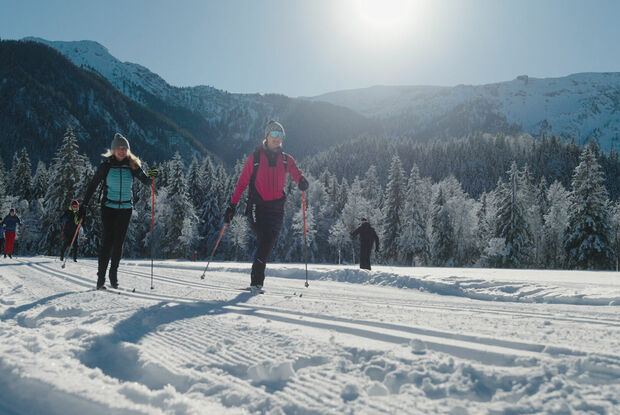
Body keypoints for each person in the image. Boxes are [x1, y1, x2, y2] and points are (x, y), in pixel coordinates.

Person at [225, 120, 309, 292]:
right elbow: (241, 184)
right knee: (265, 239)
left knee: (268, 242)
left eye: (281, 135)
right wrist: (232, 206)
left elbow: (296, 172)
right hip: (257, 206)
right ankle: (256, 282)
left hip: (277, 208)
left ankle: (256, 282)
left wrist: (301, 180)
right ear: (267, 136)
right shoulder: (255, 159)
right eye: (274, 134)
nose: (278, 138)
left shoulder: (286, 159)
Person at [80, 133, 158, 290]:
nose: (122, 151)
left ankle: (113, 275)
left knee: (119, 244)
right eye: (119, 148)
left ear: (127, 150)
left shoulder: (133, 166)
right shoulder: (106, 166)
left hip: (125, 209)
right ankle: (101, 278)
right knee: (107, 242)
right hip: (108, 208)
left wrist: (152, 175)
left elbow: (146, 181)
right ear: (113, 150)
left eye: (124, 148)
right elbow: (93, 185)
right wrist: (84, 205)